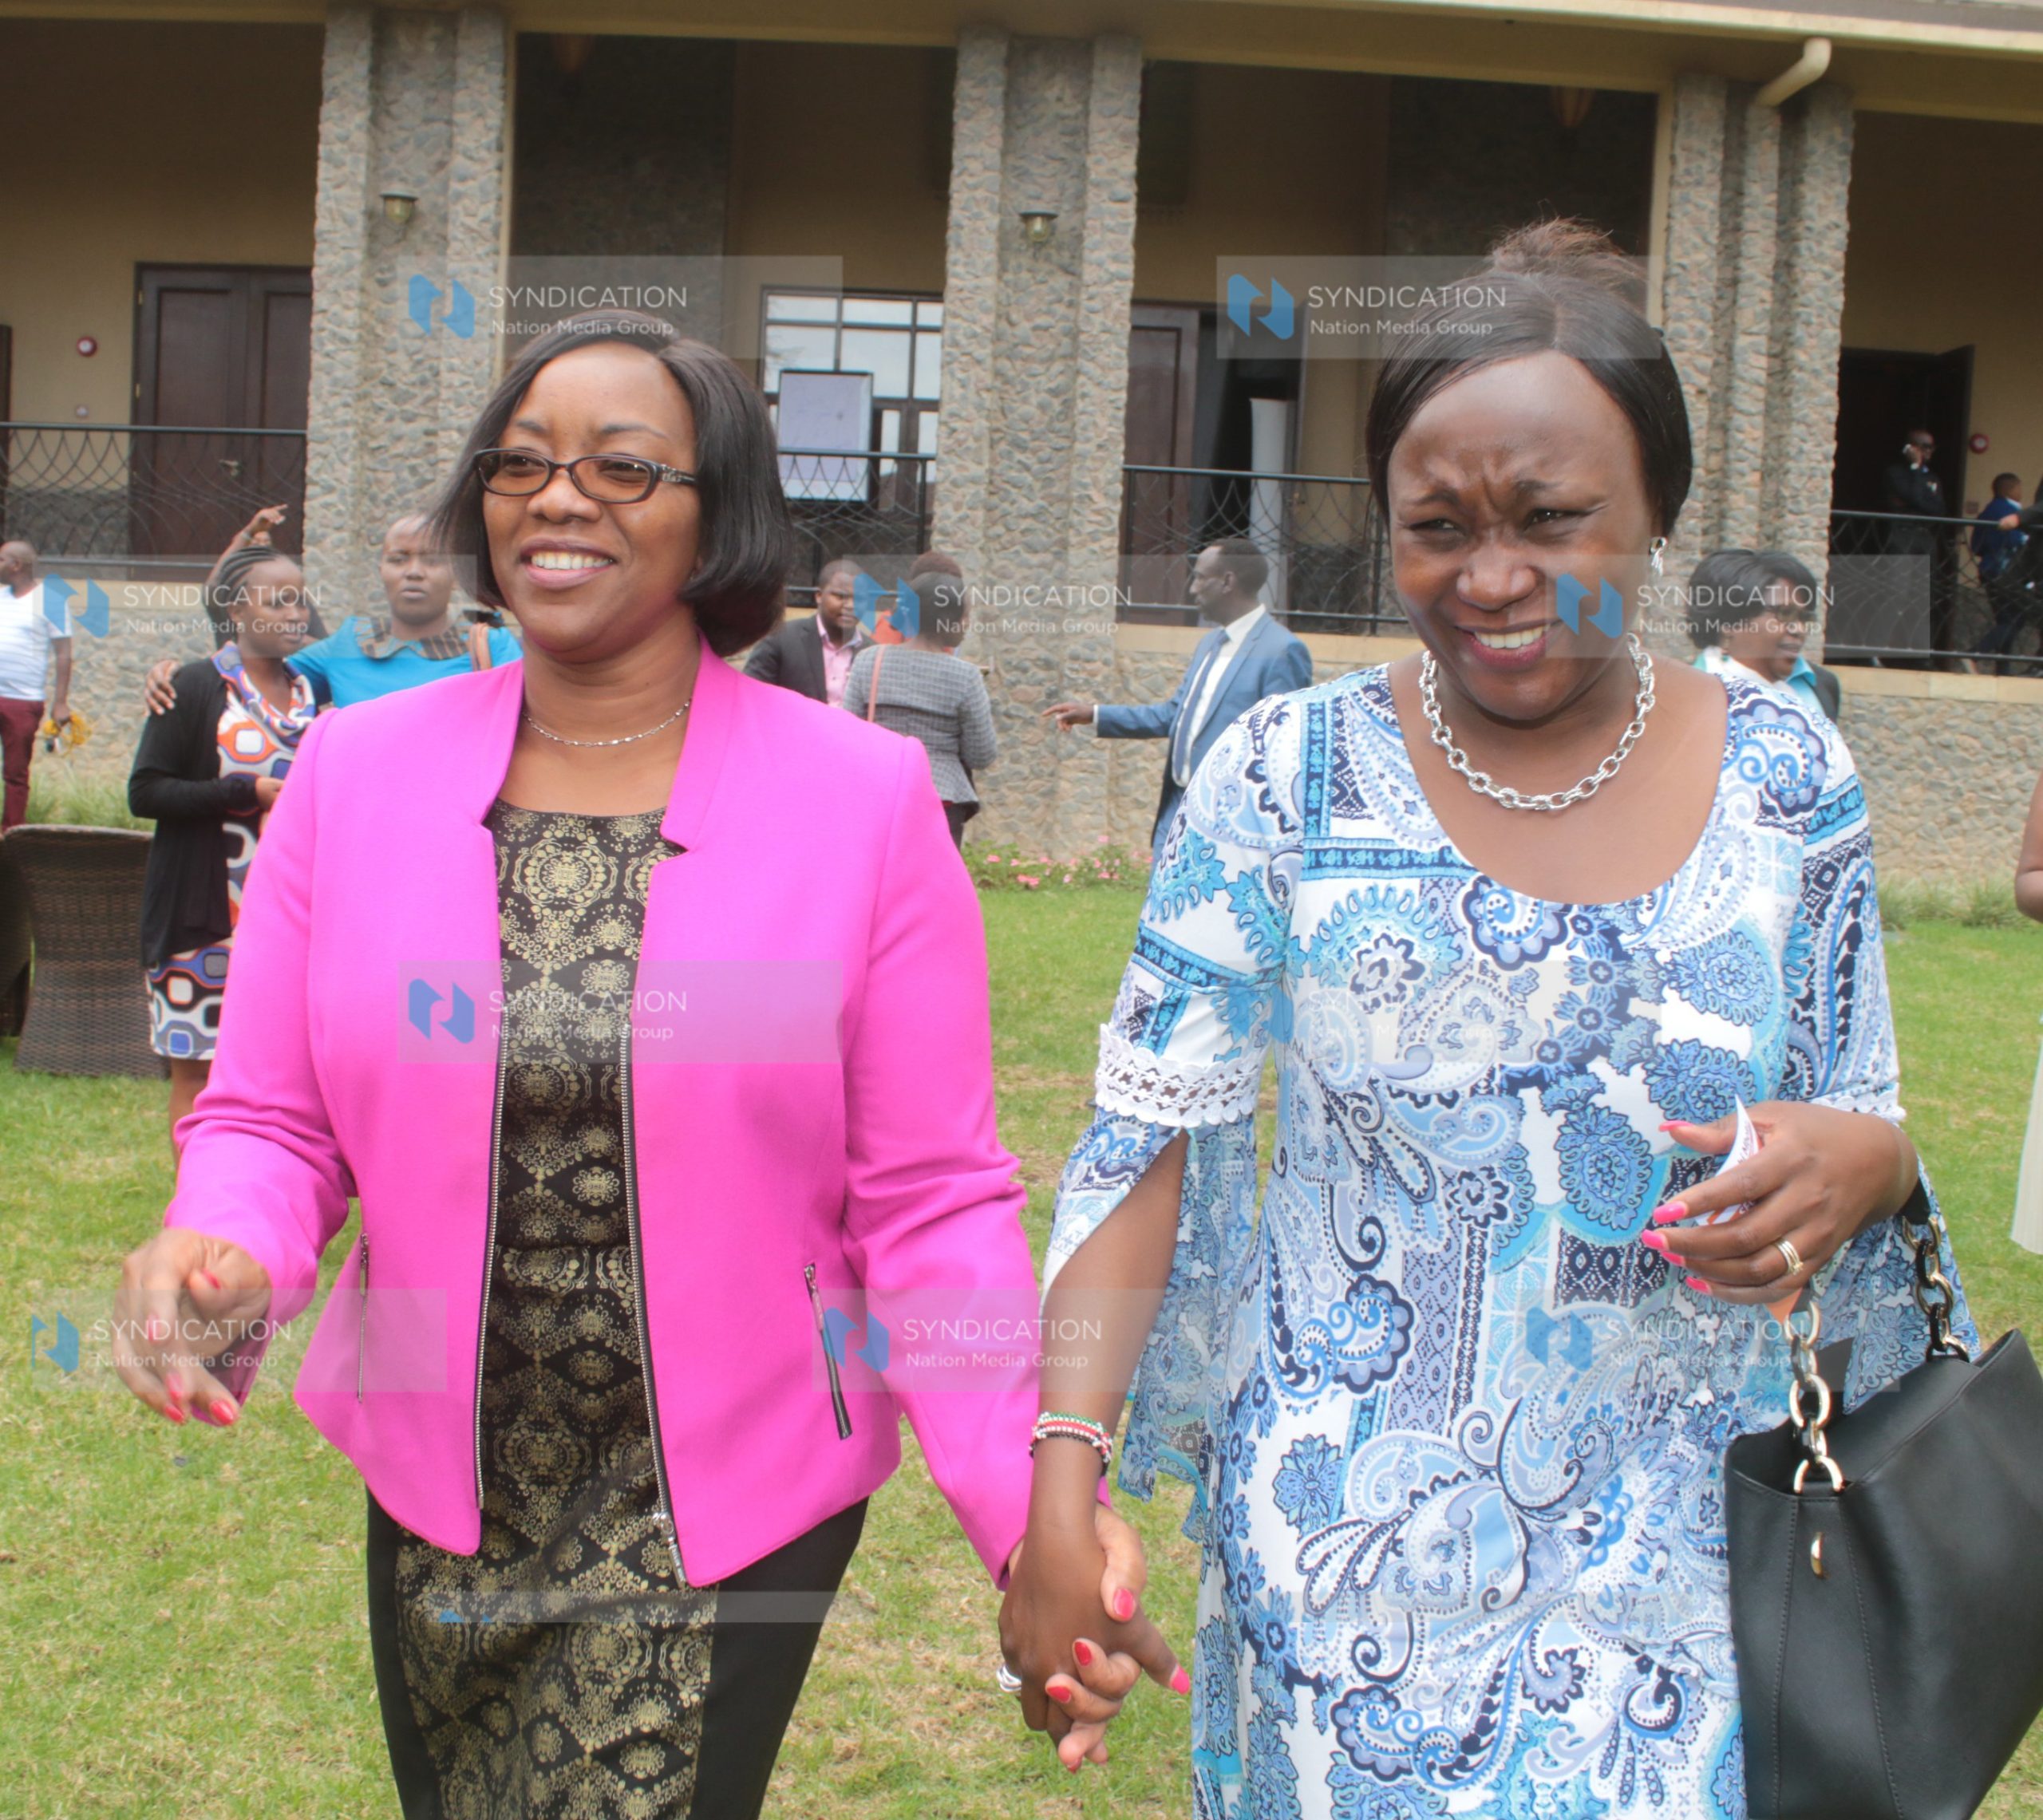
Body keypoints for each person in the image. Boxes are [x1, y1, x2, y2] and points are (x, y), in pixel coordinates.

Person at [110, 311, 1170, 1819]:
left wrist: (1026, 1510)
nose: (558, 497)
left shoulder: (860, 804)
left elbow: (932, 1202)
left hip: (720, 1504)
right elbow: (274, 1116)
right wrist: (221, 1244)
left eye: (621, 467)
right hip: (441, 1482)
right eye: (523, 463)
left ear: (714, 512)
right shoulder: (355, 776)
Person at [1001, 221, 1974, 1816]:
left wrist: (1855, 1163)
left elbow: (1857, 1098)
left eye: (1548, 517)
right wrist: (1064, 1474)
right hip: (1347, 1584)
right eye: (1433, 525)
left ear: (1655, 505)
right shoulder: (1280, 780)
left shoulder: (1788, 774)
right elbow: (1144, 1139)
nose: (1490, 574)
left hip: (1698, 1588)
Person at [128, 551, 315, 1143]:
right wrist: (245, 792)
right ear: (237, 610)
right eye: (275, 599)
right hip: (203, 921)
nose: (294, 611)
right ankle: (194, 1216)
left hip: (290, 922)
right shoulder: (195, 684)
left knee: (277, 1077)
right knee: (197, 1073)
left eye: (300, 598)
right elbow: (146, 791)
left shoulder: (312, 688)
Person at [1041, 537, 1314, 859]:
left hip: (1229, 823)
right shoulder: (1210, 644)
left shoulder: (1282, 651)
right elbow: (1174, 715)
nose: (1192, 589)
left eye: (1200, 578)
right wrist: (1095, 714)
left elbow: (1282, 747)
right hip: (1176, 809)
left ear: (1227, 581)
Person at [143, 510, 520, 717]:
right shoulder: (348, 645)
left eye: (433, 560)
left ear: (455, 572)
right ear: (381, 570)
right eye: (398, 559)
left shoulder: (492, 648)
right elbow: (250, 674)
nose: (414, 571)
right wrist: (177, 674)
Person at [842, 552, 995, 847]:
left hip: (880, 792)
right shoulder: (966, 676)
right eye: (965, 617)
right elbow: (982, 755)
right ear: (949, 620)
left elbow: (849, 731)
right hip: (942, 800)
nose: (967, 624)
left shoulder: (870, 660)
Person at [1687, 547, 1843, 719]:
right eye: (1784, 613)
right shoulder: (1687, 694)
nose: (1800, 630)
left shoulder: (1822, 685)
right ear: (1729, 623)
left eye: (1804, 617)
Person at [0, 539, 71, 830]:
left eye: (1, 559)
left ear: (17, 565)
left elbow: (64, 653)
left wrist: (61, 702)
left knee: (16, 773)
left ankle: (10, 836)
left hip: (23, 701)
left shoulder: (50, 600)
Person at [742, 556, 866, 705]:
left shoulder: (874, 653)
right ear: (819, 596)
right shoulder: (780, 639)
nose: (851, 605)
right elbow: (749, 697)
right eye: (841, 596)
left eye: (859, 598)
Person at [1883, 428, 1955, 653]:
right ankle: (1876, 650)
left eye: (1931, 447)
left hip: (1925, 540)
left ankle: (1921, 654)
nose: (1928, 451)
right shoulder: (1896, 473)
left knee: (1924, 598)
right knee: (1897, 596)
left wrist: (1919, 497)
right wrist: (1915, 469)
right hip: (1902, 537)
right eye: (1923, 446)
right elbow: (1914, 497)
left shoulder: (1933, 478)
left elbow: (1938, 509)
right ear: (1909, 448)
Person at [1972, 472, 2031, 671]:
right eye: (2019, 488)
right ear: (2009, 490)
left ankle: (2002, 669)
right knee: (2017, 618)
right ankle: (1975, 653)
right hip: (2007, 573)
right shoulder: (2009, 512)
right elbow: (2018, 542)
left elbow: (1976, 546)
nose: (2021, 492)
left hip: (1988, 570)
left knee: (2005, 620)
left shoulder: (1988, 510)